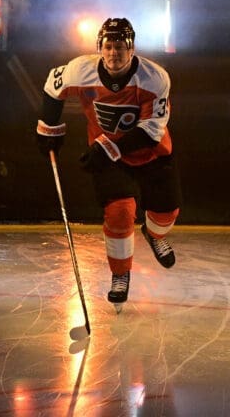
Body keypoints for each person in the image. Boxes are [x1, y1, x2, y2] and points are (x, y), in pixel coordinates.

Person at [36, 17, 181, 306]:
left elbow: (151, 132)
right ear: (99, 48)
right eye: (109, 46)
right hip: (109, 158)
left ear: (132, 49)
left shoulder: (155, 78)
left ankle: (154, 234)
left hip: (152, 153)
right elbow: (53, 86)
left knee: (166, 212)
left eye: (120, 47)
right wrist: (48, 129)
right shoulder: (81, 69)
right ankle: (121, 274)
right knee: (120, 213)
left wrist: (107, 147)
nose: (114, 53)